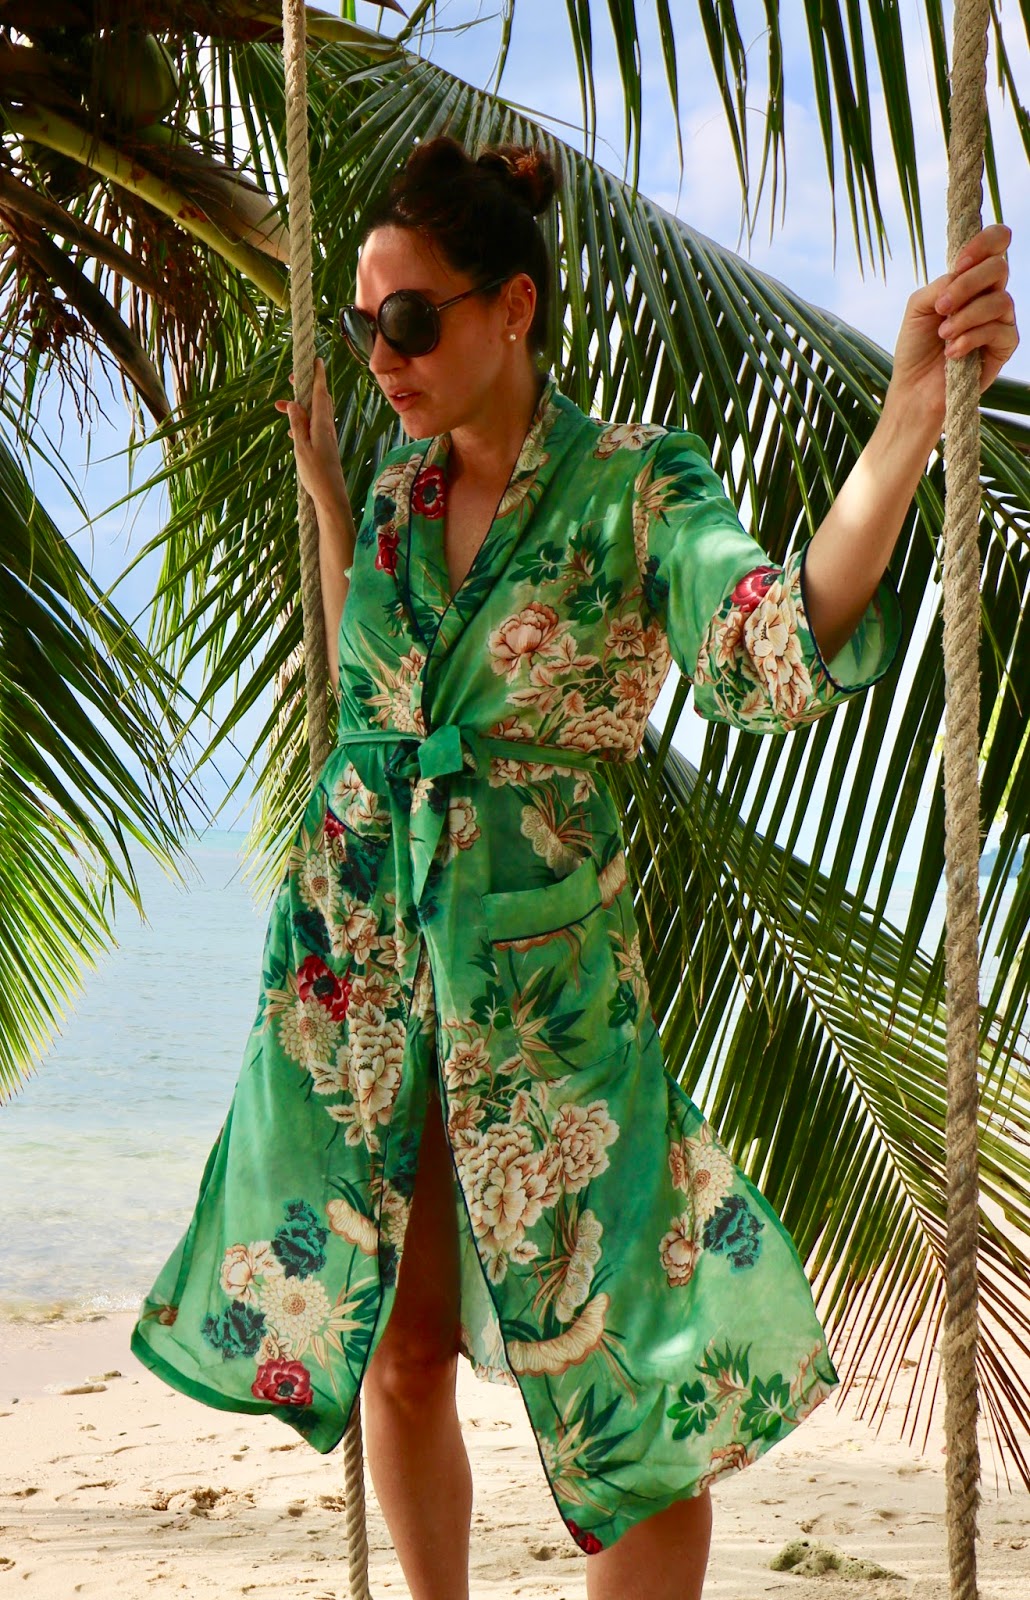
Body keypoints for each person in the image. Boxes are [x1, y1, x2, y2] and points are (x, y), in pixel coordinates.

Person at [131, 137, 1018, 1600]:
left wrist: (907, 424)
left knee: (638, 1407)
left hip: (543, 990)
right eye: (364, 323)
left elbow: (767, 632)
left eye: (408, 320)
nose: (381, 355)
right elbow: (380, 704)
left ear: (513, 308)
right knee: (396, 1350)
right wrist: (335, 510)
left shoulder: (634, 487)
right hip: (361, 966)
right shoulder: (398, 489)